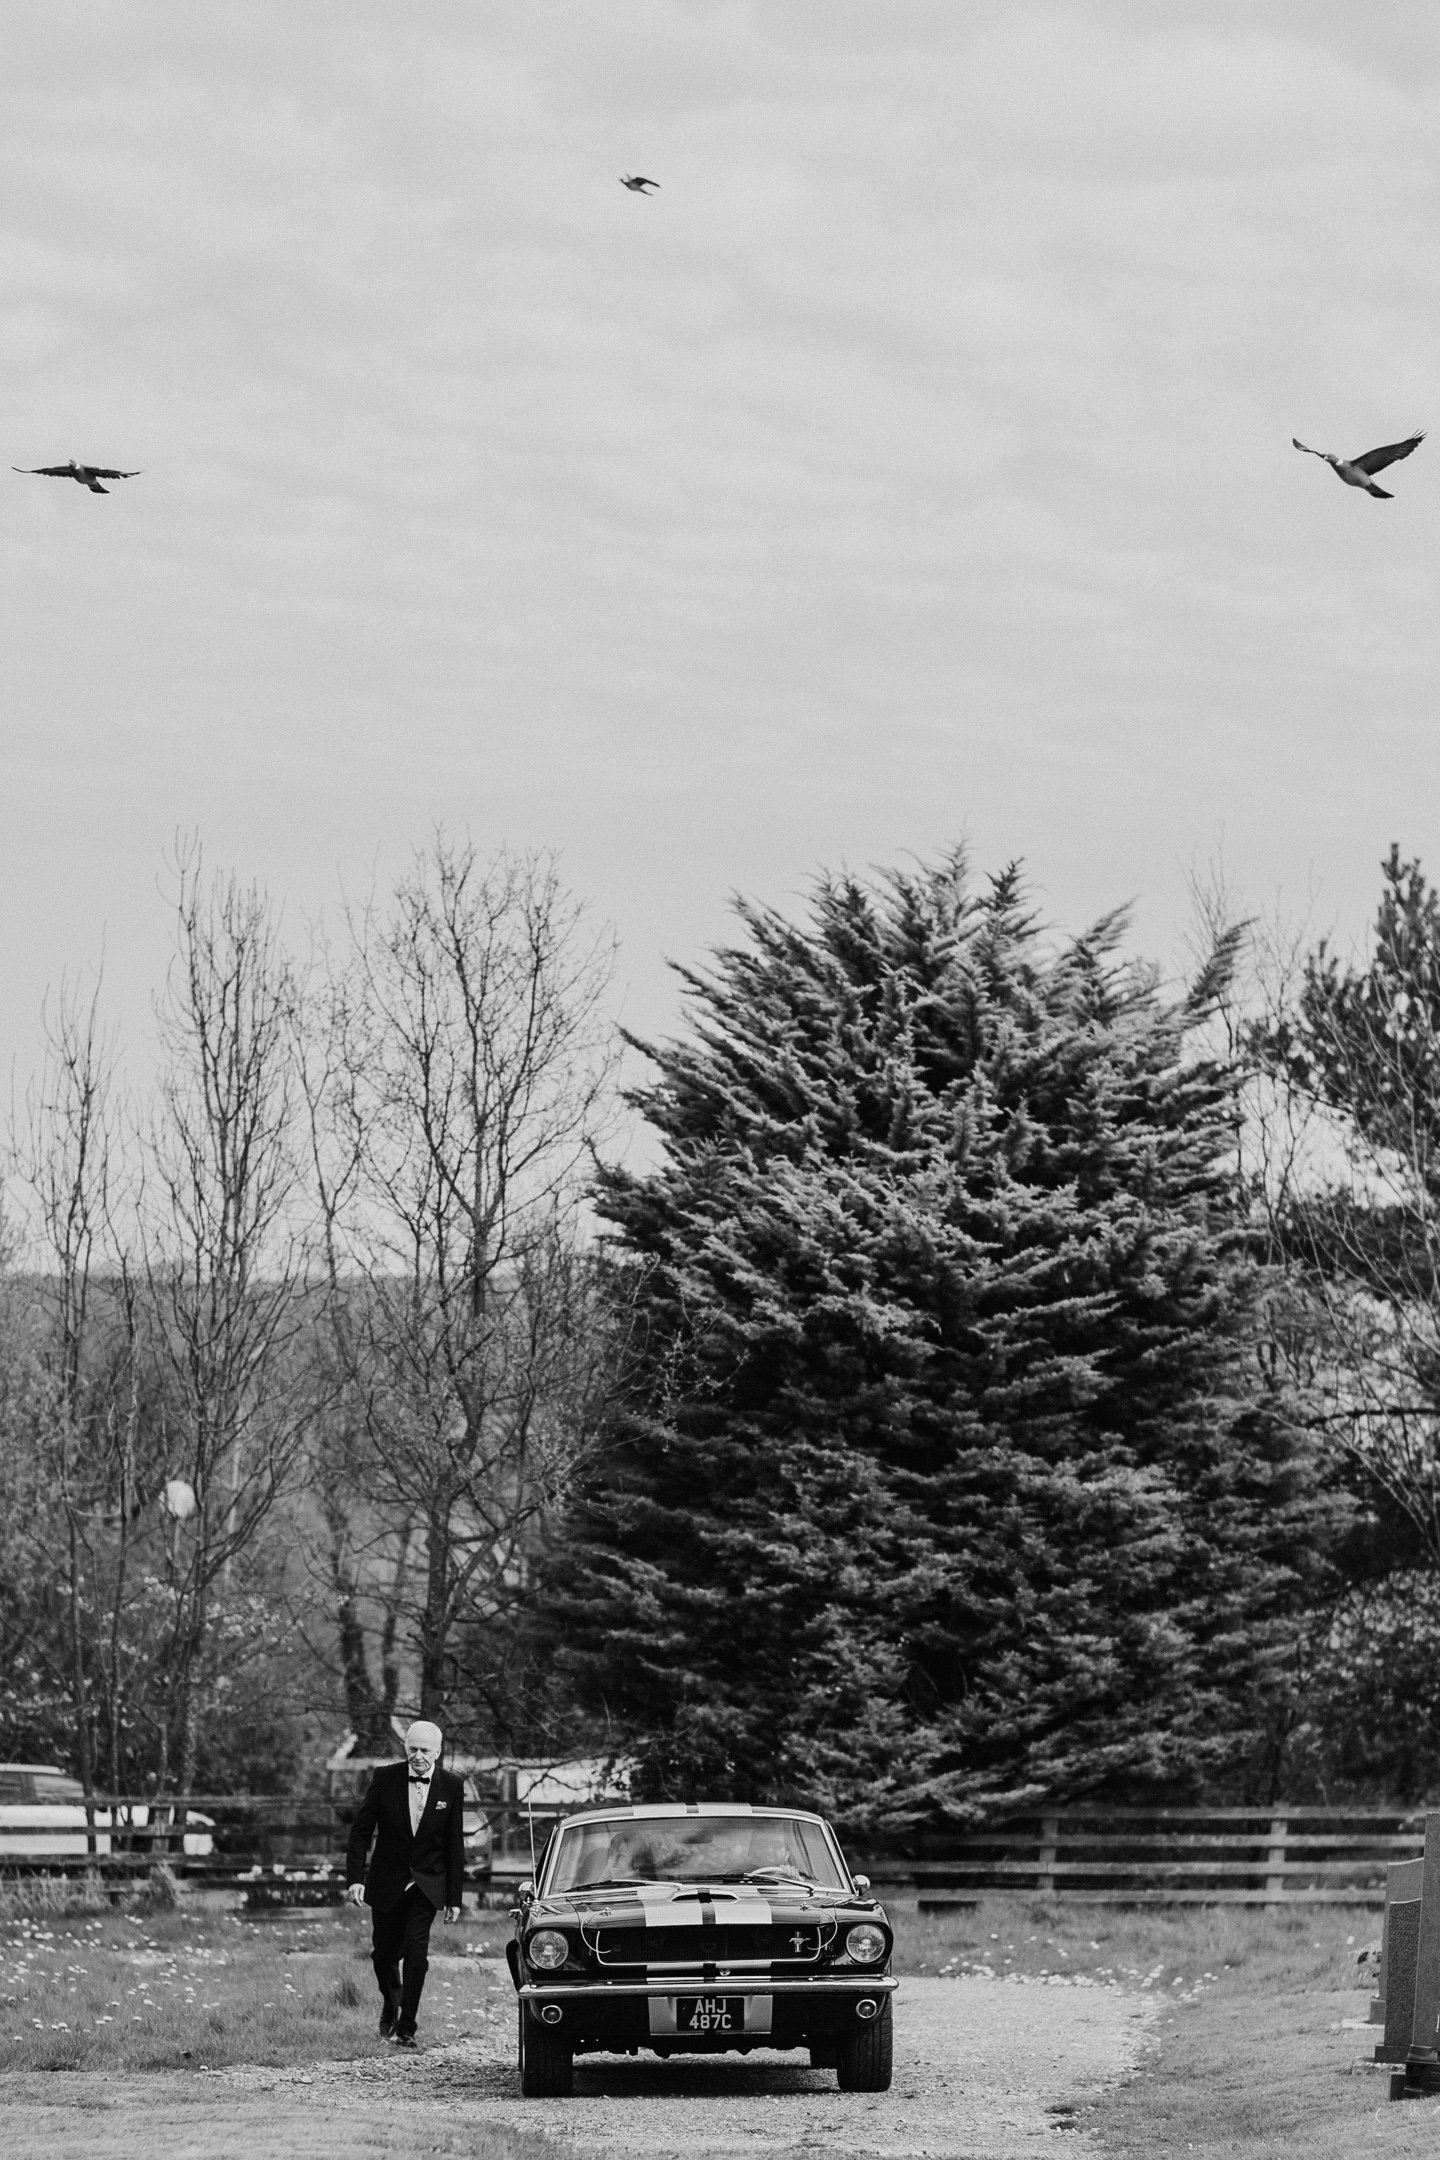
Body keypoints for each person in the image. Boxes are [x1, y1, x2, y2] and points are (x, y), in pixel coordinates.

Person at [345, 1719, 465, 2048]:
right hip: (387, 1881)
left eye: (425, 1750)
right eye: (412, 1749)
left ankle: (407, 2027)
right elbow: (360, 1832)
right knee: (383, 1956)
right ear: (405, 1748)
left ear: (438, 1752)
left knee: (416, 1953)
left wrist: (454, 1897)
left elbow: (455, 1844)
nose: (418, 1756)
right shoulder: (385, 1778)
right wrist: (356, 1879)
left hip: (426, 1885)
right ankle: (391, 2002)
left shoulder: (451, 1786)